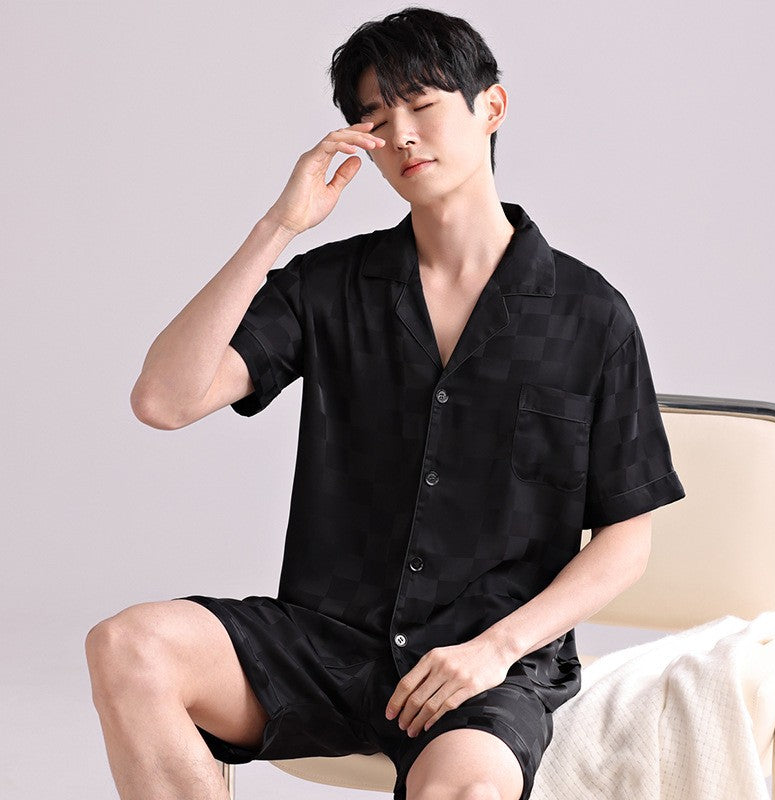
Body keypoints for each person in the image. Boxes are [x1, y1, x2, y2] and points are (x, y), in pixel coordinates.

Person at [85, 7, 686, 800]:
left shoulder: (590, 314)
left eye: (422, 105)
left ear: (492, 107)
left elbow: (626, 541)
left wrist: (496, 649)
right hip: (325, 645)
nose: (400, 135)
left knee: (464, 788)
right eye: (375, 117)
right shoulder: (330, 285)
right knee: (129, 646)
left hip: (480, 666)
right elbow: (164, 400)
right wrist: (279, 225)